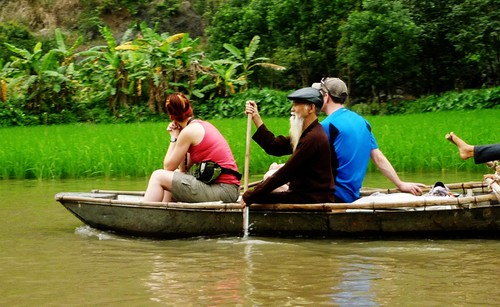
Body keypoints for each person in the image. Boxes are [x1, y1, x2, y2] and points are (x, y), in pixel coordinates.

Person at [313, 77, 425, 203]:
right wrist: (400, 184)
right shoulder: (363, 122)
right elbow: (378, 157)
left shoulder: (326, 126)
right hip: (351, 195)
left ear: (326, 96)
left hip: (332, 195)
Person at [242, 87, 335, 205]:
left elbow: (286, 172)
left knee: (261, 197)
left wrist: (252, 195)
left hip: (313, 198)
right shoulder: (306, 134)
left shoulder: (313, 138)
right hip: (304, 194)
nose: (292, 109)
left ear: (311, 108)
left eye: (296, 104)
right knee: (262, 194)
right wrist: (256, 117)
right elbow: (274, 146)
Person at [143, 92, 240, 203]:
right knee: (173, 176)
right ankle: (165, 213)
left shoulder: (189, 132)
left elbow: (167, 166)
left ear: (171, 116)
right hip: (229, 189)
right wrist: (179, 135)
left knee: (158, 176)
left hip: (224, 190)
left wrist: (174, 138)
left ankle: (145, 215)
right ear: (190, 109)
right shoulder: (200, 125)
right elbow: (184, 168)